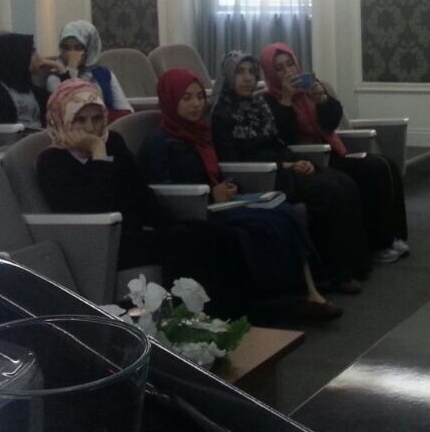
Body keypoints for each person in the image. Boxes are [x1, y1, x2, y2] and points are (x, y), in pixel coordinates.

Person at [142, 68, 344, 318]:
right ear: (170, 100)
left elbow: (214, 172)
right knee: (263, 226)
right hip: (194, 213)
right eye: (186, 98)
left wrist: (226, 186)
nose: (196, 104)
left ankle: (307, 293)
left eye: (200, 97)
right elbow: (160, 190)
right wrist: (210, 193)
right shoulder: (159, 141)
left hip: (217, 204)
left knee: (284, 213)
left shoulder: (200, 133)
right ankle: (282, 302)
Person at [210, 51, 379, 272]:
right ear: (227, 76)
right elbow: (234, 160)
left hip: (284, 164)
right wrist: (285, 165)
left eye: (252, 72)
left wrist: (297, 160)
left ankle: (354, 264)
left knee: (344, 182)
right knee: (327, 190)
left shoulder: (258, 105)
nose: (248, 78)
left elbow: (278, 143)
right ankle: (333, 272)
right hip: (261, 176)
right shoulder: (221, 114)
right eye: (240, 72)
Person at [261, 43, 409, 262]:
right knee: (371, 172)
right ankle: (377, 244)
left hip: (335, 151)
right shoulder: (269, 100)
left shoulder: (309, 89)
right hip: (310, 157)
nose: (288, 72)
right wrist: (286, 100)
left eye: (290, 64)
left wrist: (321, 99)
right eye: (279, 68)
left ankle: (393, 235)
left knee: (385, 165)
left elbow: (331, 122)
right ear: (271, 73)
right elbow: (285, 136)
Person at [45, 20, 132, 119]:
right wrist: (72, 69)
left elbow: (124, 109)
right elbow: (71, 108)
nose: (71, 53)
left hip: (108, 123)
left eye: (78, 48)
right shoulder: (54, 77)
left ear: (90, 49)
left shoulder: (104, 73)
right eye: (66, 48)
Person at [0, 33, 58, 129]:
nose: (39, 57)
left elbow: (61, 104)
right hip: (16, 138)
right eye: (32, 51)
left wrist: (60, 68)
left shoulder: (25, 85)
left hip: (41, 136)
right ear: (14, 56)